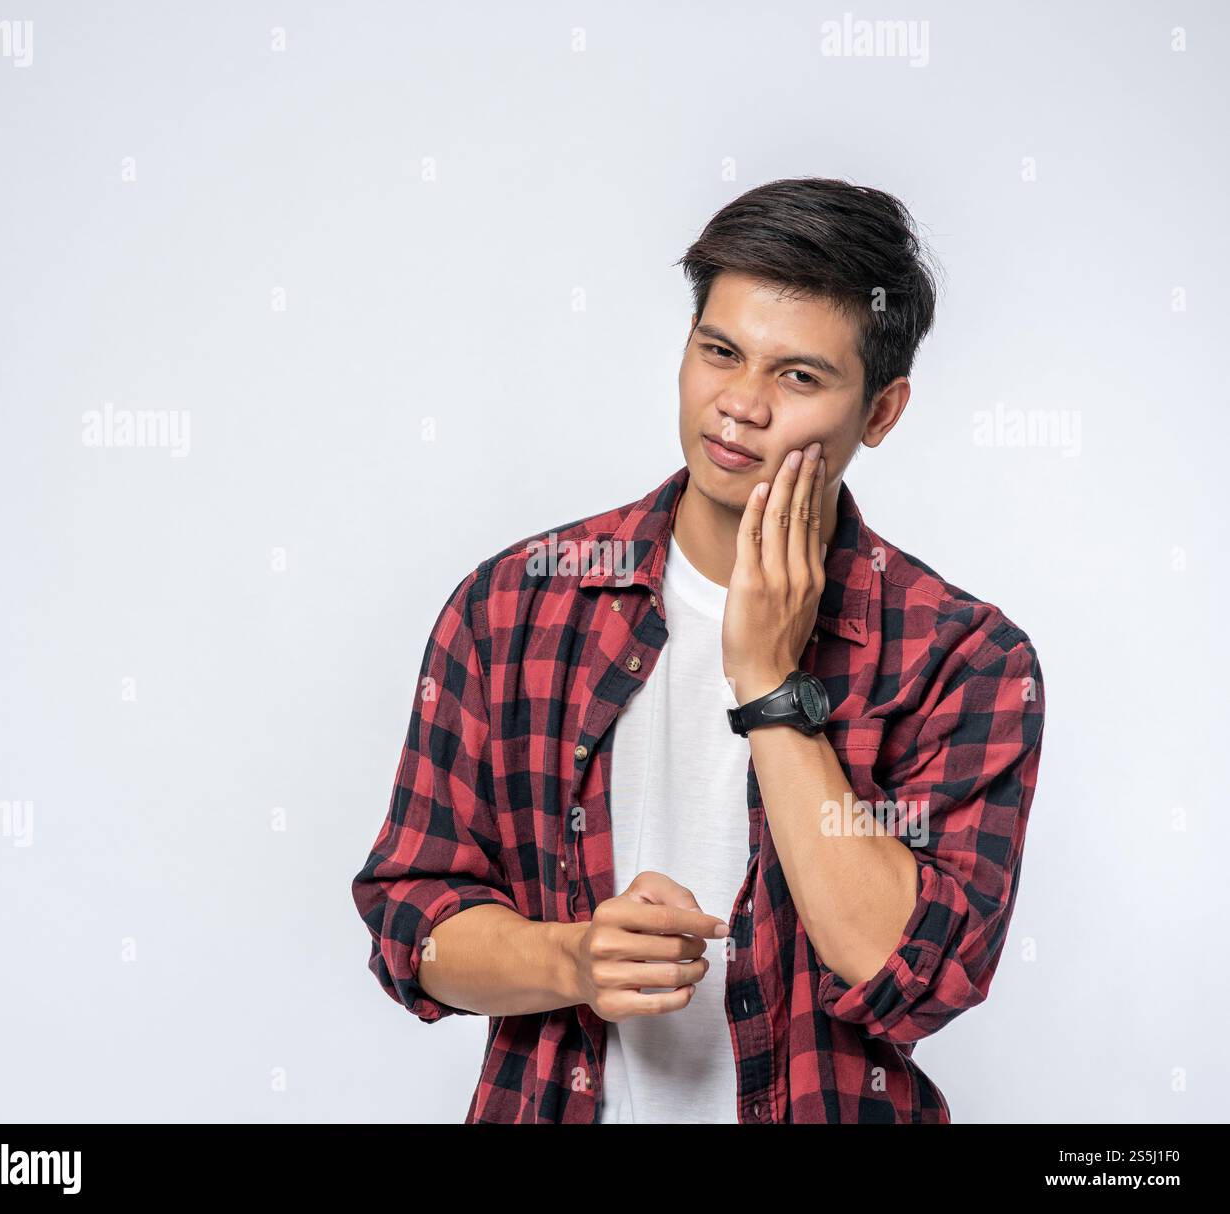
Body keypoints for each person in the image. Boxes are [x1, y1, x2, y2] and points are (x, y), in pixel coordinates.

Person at [351, 177, 1047, 1124]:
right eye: (720, 353)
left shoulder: (962, 660)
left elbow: (911, 972)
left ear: (881, 413)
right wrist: (571, 959)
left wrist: (769, 681)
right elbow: (409, 918)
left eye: (798, 377)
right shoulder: (516, 603)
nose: (741, 406)